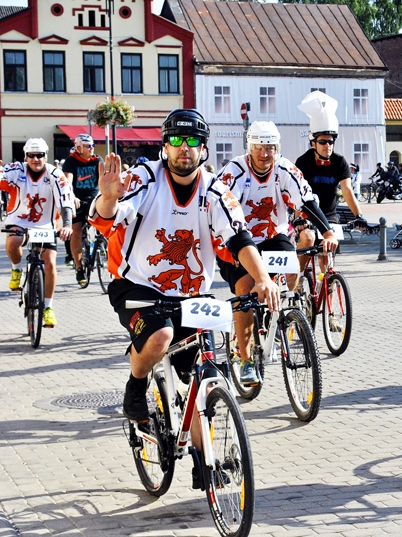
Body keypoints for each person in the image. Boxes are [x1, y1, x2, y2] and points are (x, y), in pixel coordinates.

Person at [89, 109, 280, 440]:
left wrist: (262, 278)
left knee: (200, 381)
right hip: (137, 285)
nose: (184, 147)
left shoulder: (216, 191)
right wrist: (107, 198)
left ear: (203, 149)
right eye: (176, 139)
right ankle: (135, 387)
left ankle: (208, 464)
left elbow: (239, 237)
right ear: (165, 145)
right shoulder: (143, 179)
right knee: (160, 337)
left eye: (192, 140)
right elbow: (108, 219)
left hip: (192, 296)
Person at [216, 121, 338, 384]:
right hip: (238, 239)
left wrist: (327, 232)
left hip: (272, 235)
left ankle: (288, 310)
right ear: (250, 147)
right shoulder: (235, 171)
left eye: (270, 147)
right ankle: (246, 358)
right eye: (259, 147)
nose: (265, 154)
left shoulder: (284, 169)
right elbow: (222, 209)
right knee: (247, 288)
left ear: (277, 148)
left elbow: (305, 201)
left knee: (291, 266)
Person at [2, 138, 74, 328]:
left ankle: (48, 308)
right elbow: (2, 178)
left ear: (46, 156)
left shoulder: (56, 175)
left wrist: (66, 225)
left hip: (45, 225)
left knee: (49, 263)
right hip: (18, 220)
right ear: (25, 157)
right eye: (31, 156)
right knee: (13, 241)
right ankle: (17, 269)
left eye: (40, 155)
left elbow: (65, 202)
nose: (36, 159)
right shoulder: (16, 170)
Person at [295, 91, 367, 272]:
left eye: (331, 141)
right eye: (323, 141)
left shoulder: (339, 162)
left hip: (329, 217)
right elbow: (295, 192)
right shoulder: (303, 162)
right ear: (313, 143)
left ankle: (328, 294)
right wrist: (297, 219)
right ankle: (296, 279)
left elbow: (348, 190)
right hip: (306, 216)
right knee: (308, 239)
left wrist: (359, 216)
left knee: (327, 265)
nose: (328, 145)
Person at [61, 133, 101, 284]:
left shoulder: (97, 160)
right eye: (87, 146)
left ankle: (102, 246)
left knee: (107, 223)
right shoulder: (71, 161)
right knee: (76, 231)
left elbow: (103, 178)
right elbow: (67, 182)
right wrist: (72, 196)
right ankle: (79, 268)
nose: (91, 148)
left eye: (92, 145)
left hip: (93, 200)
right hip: (76, 200)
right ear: (78, 148)